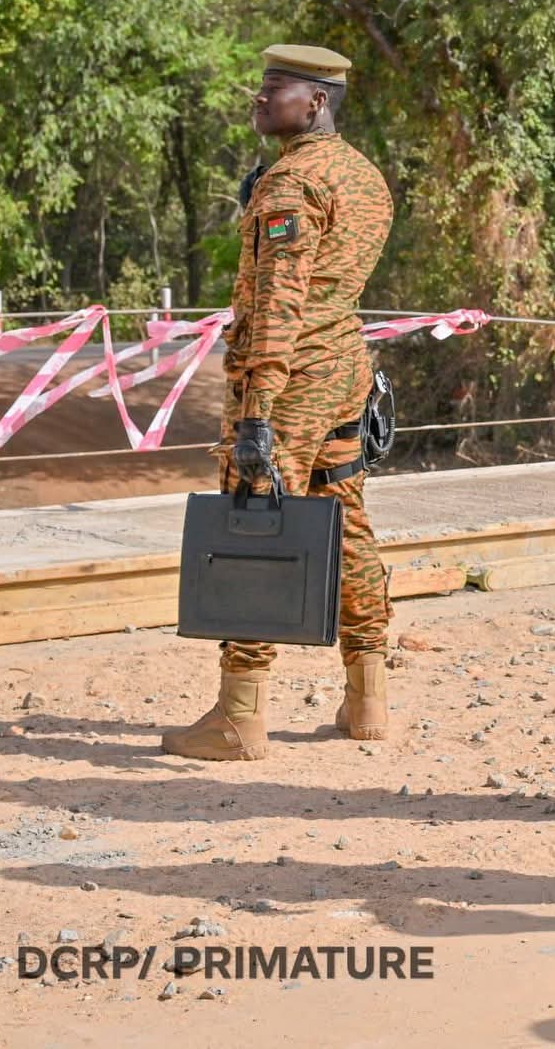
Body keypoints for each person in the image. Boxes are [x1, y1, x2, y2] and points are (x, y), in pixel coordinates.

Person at [162, 44, 395, 761]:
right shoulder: (363, 175)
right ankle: (368, 700)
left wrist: (257, 407)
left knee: (252, 524)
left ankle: (240, 713)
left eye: (275, 89)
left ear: (316, 102)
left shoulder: (290, 186)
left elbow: (278, 300)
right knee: (345, 518)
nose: (259, 99)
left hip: (289, 377)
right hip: (343, 369)